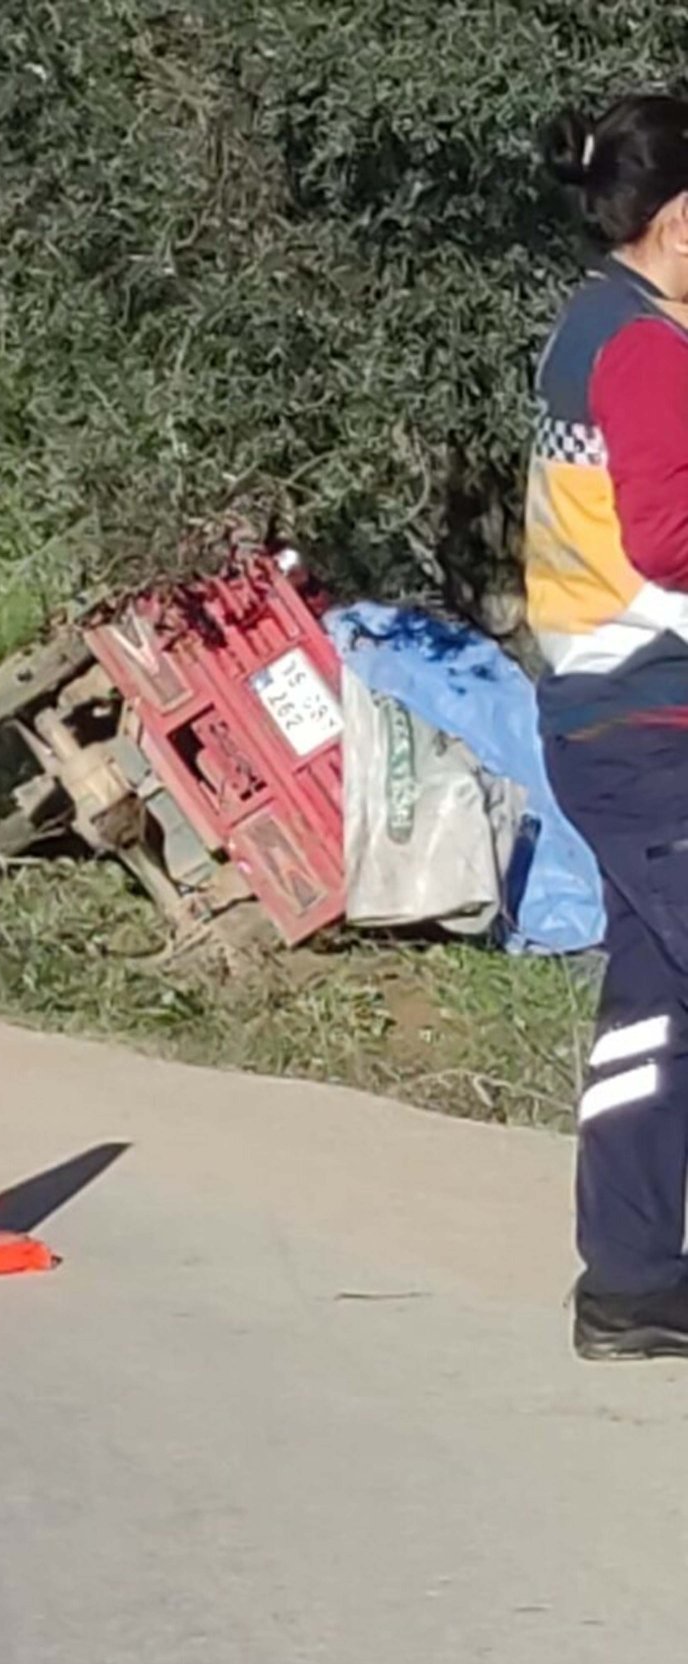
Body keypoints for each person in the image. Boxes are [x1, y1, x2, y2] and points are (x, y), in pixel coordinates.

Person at [529, 95, 688, 1359]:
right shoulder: (643, 350)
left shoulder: (596, 326)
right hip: (649, 725)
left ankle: (630, 1285)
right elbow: (666, 539)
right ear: (679, 224)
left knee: (651, 1009)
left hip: (603, 724)